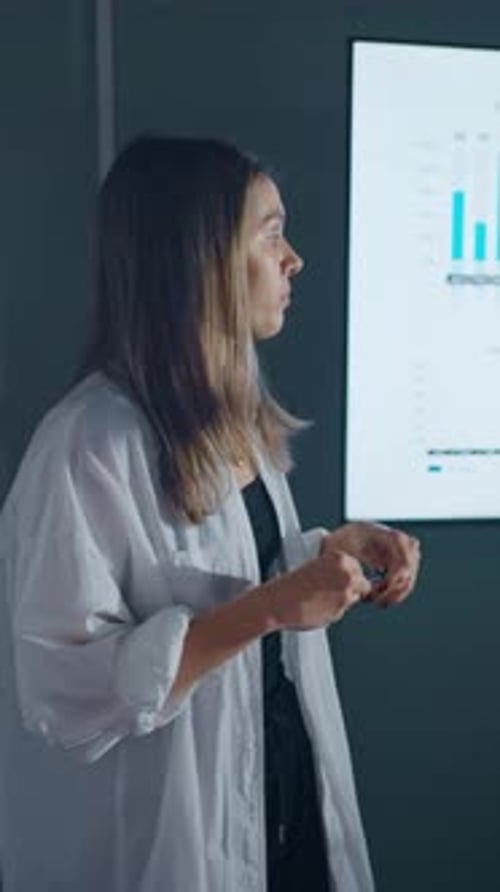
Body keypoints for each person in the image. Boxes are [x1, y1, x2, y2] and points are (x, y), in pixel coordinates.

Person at [0, 135, 420, 892]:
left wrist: (325, 553)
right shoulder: (87, 443)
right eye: (270, 233)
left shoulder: (235, 427)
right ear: (202, 259)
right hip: (169, 850)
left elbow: (212, 583)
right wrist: (269, 606)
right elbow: (63, 689)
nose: (293, 259)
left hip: (279, 816)